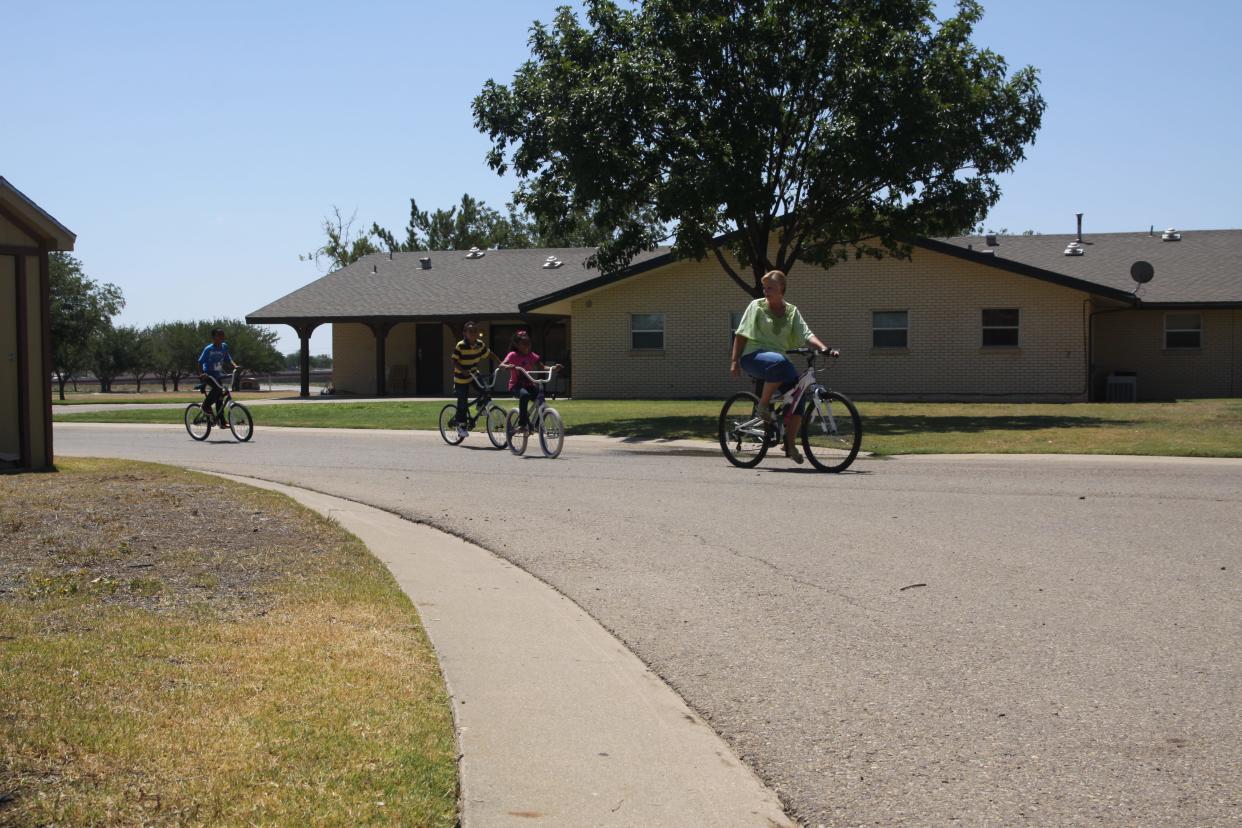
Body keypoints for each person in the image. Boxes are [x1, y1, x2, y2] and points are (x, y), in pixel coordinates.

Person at [729, 270, 833, 463]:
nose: (766, 291)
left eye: (771, 288)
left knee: (798, 396)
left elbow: (806, 333)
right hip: (753, 357)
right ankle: (762, 406)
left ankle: (790, 444)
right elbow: (741, 334)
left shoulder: (792, 311)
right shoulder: (756, 306)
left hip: (779, 362)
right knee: (780, 362)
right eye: (764, 287)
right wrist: (734, 361)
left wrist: (824, 348)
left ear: (781, 289)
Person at [499, 330, 557, 435]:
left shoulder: (531, 355)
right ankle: (522, 424)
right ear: (517, 345)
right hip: (516, 385)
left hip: (529, 385)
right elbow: (501, 366)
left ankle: (537, 425)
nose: (527, 346)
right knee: (524, 395)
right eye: (524, 343)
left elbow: (542, 367)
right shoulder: (513, 355)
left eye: (528, 343)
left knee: (541, 401)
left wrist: (553, 368)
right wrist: (507, 366)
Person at [451, 321, 498, 438]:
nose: (473, 334)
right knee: (463, 402)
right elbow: (454, 360)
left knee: (486, 389)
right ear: (464, 333)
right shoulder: (460, 345)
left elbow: (489, 354)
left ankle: (480, 406)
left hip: (473, 374)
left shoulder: (479, 344)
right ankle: (461, 425)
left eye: (475, 331)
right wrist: (462, 370)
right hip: (461, 378)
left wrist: (501, 364)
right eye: (470, 332)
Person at [198, 328, 241, 426]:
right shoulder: (209, 349)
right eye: (220, 335)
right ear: (214, 337)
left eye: (223, 334)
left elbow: (228, 358)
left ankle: (221, 421)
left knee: (220, 397)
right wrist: (202, 374)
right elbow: (200, 362)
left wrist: (235, 366)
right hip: (208, 374)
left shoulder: (224, 346)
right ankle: (205, 406)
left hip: (217, 374)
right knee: (217, 389)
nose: (222, 336)